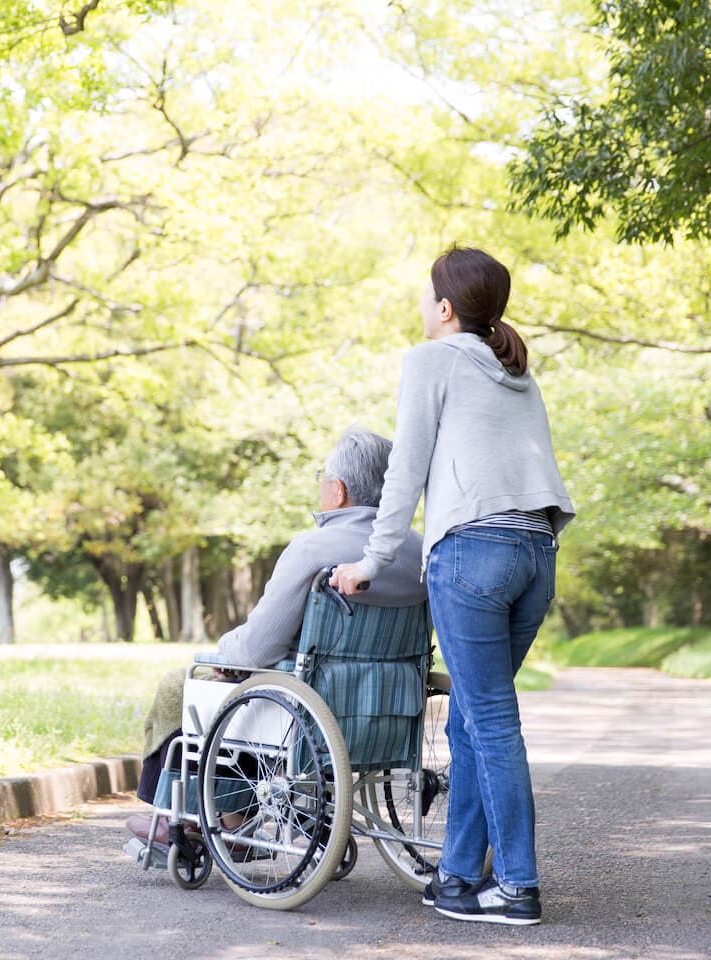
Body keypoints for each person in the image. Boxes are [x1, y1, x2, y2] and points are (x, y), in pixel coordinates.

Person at [331, 246, 575, 926]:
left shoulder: (432, 358)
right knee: (471, 717)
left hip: (473, 551)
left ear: (444, 308)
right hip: (536, 551)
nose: (421, 304)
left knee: (491, 721)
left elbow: (404, 471)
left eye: (425, 295)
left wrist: (370, 563)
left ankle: (518, 886)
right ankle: (460, 877)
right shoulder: (515, 373)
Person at [126, 426, 425, 851]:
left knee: (186, 685)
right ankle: (237, 818)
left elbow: (256, 649)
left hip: (309, 708)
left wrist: (220, 653)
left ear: (337, 491)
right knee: (260, 691)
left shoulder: (313, 548)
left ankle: (191, 820)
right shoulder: (420, 553)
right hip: (388, 709)